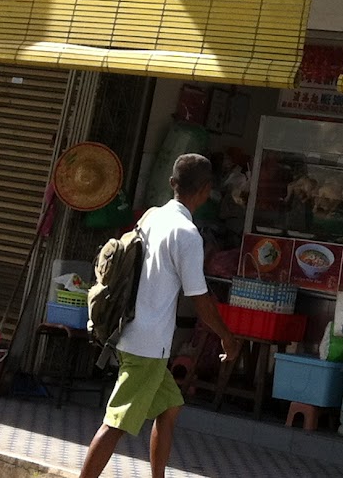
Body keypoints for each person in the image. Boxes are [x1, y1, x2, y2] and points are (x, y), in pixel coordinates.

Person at [78, 154, 240, 478]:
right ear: (206, 191)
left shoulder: (152, 216)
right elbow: (200, 298)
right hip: (147, 346)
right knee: (116, 423)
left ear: (172, 184)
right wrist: (227, 335)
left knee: (170, 407)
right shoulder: (187, 234)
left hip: (131, 334)